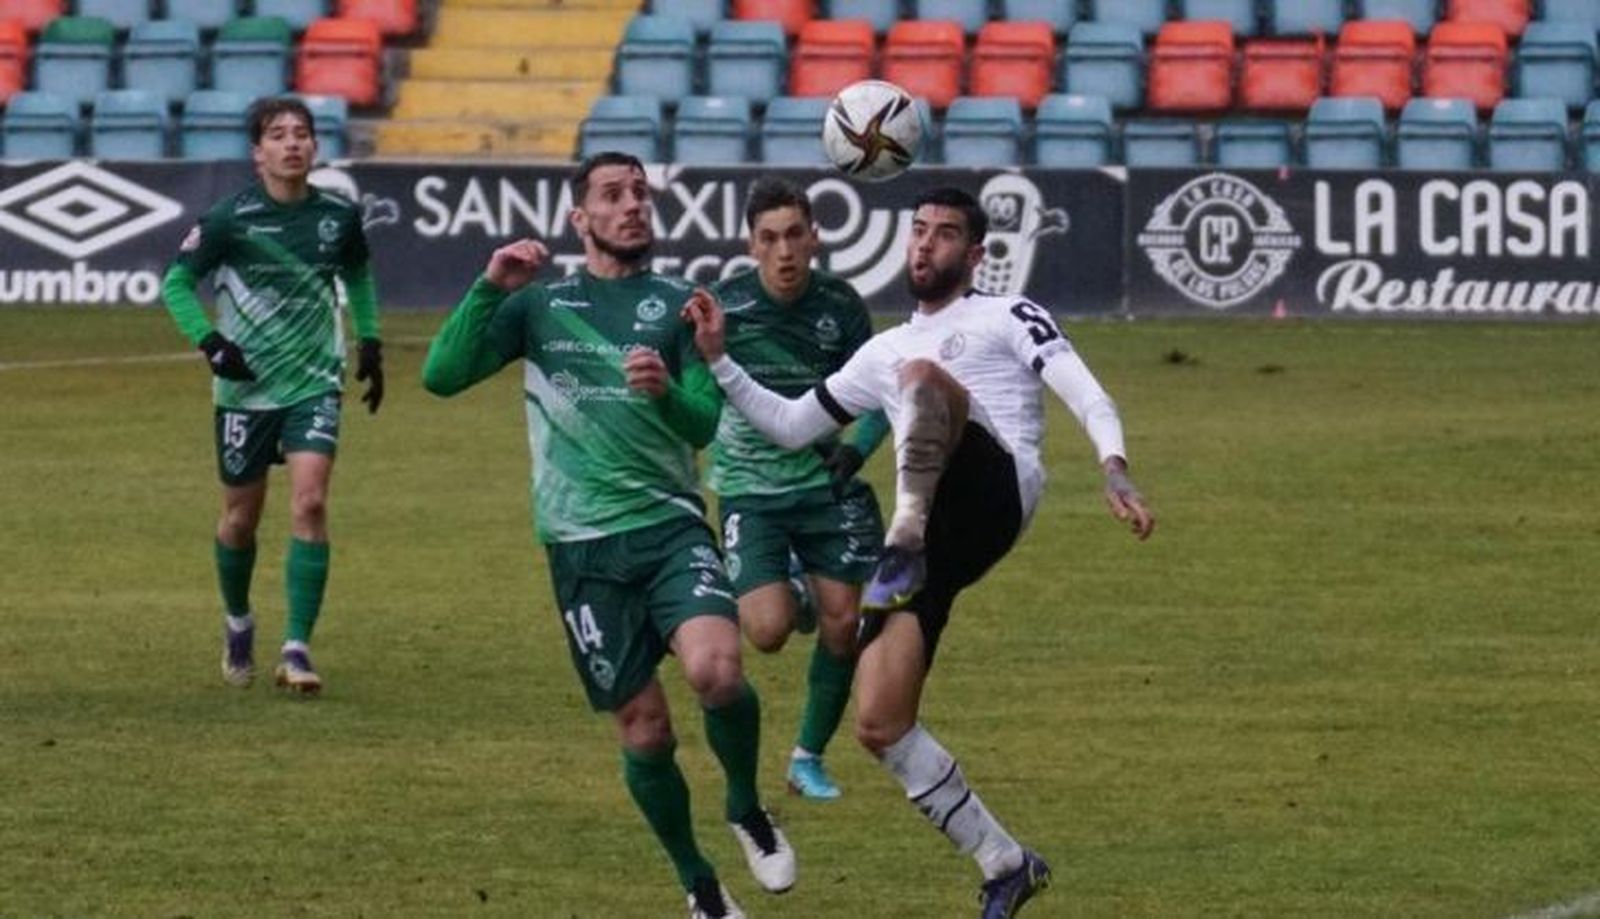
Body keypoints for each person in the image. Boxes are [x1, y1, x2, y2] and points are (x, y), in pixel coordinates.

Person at [683, 186, 1156, 919]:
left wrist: (1113, 462)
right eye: (919, 231)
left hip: (995, 487)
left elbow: (1084, 390)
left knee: (923, 381)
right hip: (939, 537)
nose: (925, 244)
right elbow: (790, 424)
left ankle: (900, 534)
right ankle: (1005, 861)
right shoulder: (882, 349)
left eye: (944, 235)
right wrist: (718, 361)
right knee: (878, 719)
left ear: (974, 256)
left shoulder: (1003, 315)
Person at [420, 152, 793, 919]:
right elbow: (441, 373)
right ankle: (699, 883)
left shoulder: (678, 306)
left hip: (668, 526)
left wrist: (664, 394)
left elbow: (705, 421)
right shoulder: (539, 305)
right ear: (578, 218)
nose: (632, 207)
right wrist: (490, 284)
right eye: (613, 196)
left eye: (641, 195)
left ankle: (747, 805)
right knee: (645, 729)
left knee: (718, 671)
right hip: (580, 545)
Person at [161, 96, 383, 697]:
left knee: (309, 504)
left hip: (314, 381)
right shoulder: (230, 219)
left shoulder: (338, 216)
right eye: (278, 135)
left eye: (302, 134)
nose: (292, 143)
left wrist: (371, 343)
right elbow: (176, 283)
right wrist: (210, 343)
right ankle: (238, 621)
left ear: (314, 146)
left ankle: (297, 647)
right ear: (257, 152)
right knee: (240, 519)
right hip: (246, 390)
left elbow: (358, 275)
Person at [706, 176, 889, 801]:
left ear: (815, 237)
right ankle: (785, 578)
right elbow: (696, 390)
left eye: (794, 235)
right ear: (750, 245)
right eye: (769, 238)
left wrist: (856, 448)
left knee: (844, 625)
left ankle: (806, 758)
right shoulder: (722, 306)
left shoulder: (841, 306)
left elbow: (883, 396)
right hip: (750, 488)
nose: (783, 250)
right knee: (767, 632)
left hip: (822, 484)